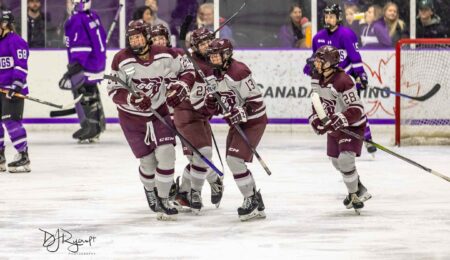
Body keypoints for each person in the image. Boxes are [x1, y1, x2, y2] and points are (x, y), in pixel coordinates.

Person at [107, 20, 195, 220]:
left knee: (167, 153)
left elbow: (188, 70)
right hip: (132, 119)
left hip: (159, 113)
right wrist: (132, 99)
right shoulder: (121, 59)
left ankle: (163, 198)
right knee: (148, 162)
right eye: (132, 38)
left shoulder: (164, 54)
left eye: (138, 36)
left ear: (147, 36)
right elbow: (113, 90)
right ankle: (149, 190)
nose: (135, 41)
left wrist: (181, 86)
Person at [203, 39, 266, 221]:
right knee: (234, 161)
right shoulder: (212, 75)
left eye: (217, 56)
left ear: (227, 55)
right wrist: (212, 104)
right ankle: (256, 199)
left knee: (234, 160)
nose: (214, 59)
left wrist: (241, 111)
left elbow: (255, 101)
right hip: (237, 123)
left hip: (253, 122)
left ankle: (251, 200)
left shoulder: (239, 71)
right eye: (212, 56)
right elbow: (218, 106)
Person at [303, 4, 377, 156]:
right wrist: (310, 66)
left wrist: (360, 74)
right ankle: (342, 139)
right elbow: (314, 59)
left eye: (331, 16)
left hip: (345, 78)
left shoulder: (346, 34)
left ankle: (367, 138)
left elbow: (355, 57)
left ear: (338, 18)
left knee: (353, 108)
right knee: (333, 109)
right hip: (327, 80)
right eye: (326, 16)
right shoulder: (318, 37)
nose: (328, 19)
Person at [309, 45, 372, 212]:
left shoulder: (343, 80)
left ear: (329, 63)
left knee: (345, 159)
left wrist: (338, 120)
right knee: (337, 161)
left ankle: (354, 195)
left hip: (353, 126)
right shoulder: (318, 78)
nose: (316, 63)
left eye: (319, 60)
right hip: (335, 127)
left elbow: (357, 109)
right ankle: (358, 188)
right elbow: (316, 101)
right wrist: (316, 119)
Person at [169, 27, 224, 213]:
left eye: (208, 41)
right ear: (195, 46)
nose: (206, 46)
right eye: (202, 43)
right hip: (185, 113)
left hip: (202, 115)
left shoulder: (217, 61)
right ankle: (194, 192)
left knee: (197, 158)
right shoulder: (188, 61)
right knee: (202, 154)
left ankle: (187, 192)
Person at [58, 0, 107, 142]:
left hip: (86, 65)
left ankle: (90, 128)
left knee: (82, 92)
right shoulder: (93, 16)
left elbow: (81, 46)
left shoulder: (76, 19)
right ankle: (98, 126)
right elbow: (102, 38)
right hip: (97, 63)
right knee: (92, 92)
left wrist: (73, 68)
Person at [0, 10, 31, 173]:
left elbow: (21, 66)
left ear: (4, 25)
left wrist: (15, 86)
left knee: (11, 122)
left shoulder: (16, 42)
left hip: (13, 91)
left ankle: (23, 156)